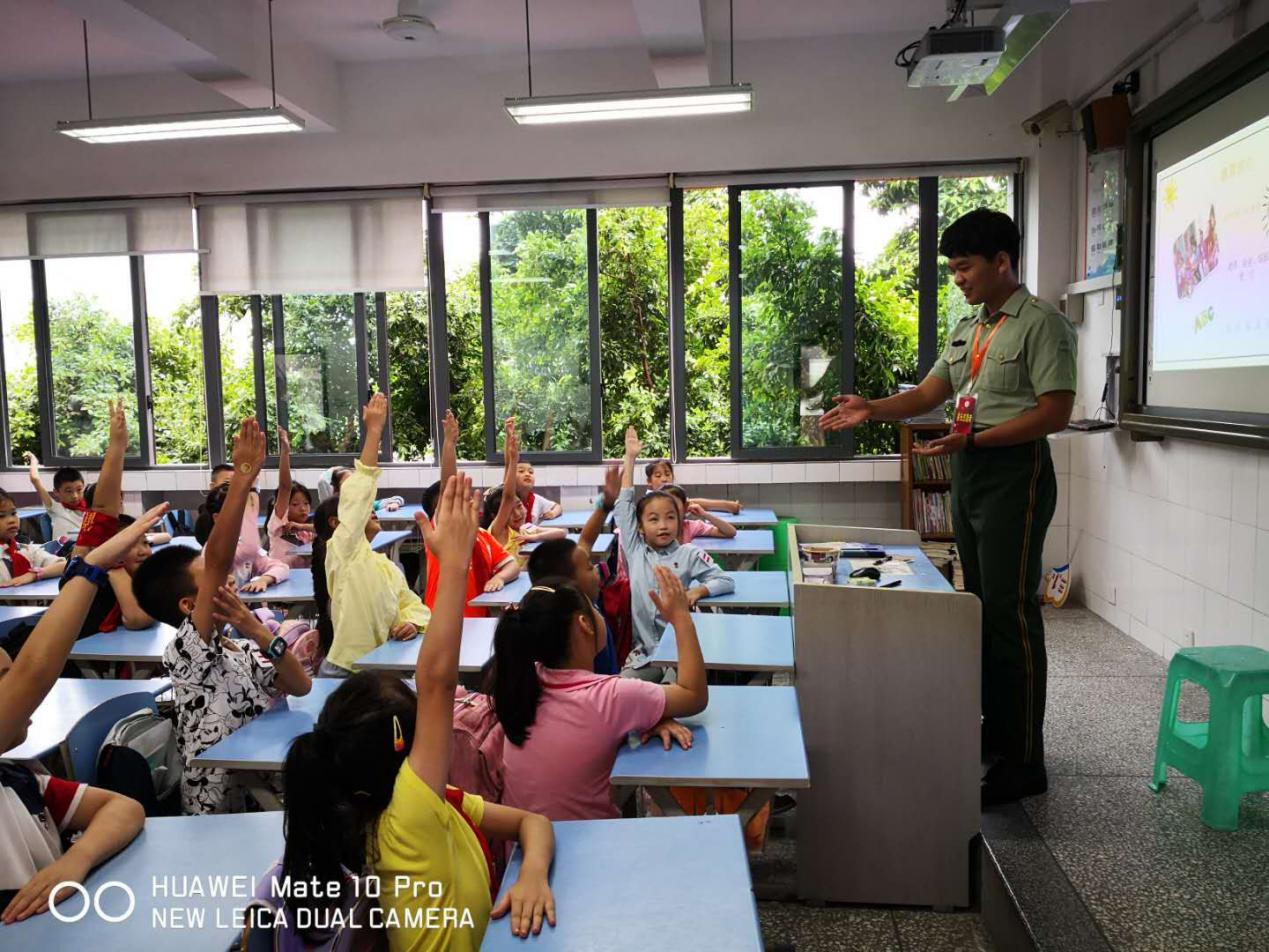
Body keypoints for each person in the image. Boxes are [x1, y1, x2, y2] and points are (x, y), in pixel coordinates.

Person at [819, 208, 1076, 807]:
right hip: (970, 471)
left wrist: (977, 442)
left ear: (1002, 262)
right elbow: (932, 392)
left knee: (1012, 613)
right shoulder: (969, 328)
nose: (957, 279)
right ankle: (998, 731)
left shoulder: (1042, 324)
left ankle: (1025, 760)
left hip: (1014, 472)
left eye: (965, 268)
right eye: (953, 269)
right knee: (980, 607)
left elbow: (1055, 412)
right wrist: (872, 409)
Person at [278, 473, 556, 949]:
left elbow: (534, 822)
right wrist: (453, 566)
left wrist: (531, 873)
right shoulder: (407, 813)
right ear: (402, 745)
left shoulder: (435, 798)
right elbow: (437, 682)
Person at [131, 418, 312, 814]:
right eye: (213, 579)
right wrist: (243, 476)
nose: (226, 577)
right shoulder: (187, 651)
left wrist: (257, 632)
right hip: (219, 805)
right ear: (188, 606)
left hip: (258, 785)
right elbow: (216, 560)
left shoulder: (236, 647)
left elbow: (300, 686)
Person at [0, 504, 165, 924]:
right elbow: (34, 672)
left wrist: (77, 858)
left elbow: (124, 810)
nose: (19, 693)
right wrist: (91, 569)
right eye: (4, 681)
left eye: (10, 676)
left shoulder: (20, 780)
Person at [494, 567, 705, 822]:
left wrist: (649, 715)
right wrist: (681, 619)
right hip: (587, 842)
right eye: (594, 608)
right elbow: (693, 694)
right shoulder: (612, 696)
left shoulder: (524, 680)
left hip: (524, 842)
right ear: (584, 624)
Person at [312, 394, 430, 678]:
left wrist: (411, 623)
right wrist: (374, 432)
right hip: (346, 669)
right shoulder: (342, 551)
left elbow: (412, 604)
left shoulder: (384, 566)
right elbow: (357, 498)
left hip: (382, 665)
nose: (371, 510)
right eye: (364, 509)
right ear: (337, 523)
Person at [615, 427, 733, 679]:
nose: (663, 525)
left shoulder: (689, 553)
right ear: (640, 527)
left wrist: (697, 591)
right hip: (644, 654)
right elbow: (624, 506)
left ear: (680, 521)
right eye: (653, 519)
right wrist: (630, 459)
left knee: (674, 694)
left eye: (670, 517)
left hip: (680, 653)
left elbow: (725, 580)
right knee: (622, 691)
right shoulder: (636, 551)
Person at [524, 465, 623, 676]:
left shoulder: (579, 600)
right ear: (570, 584)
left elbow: (586, 540)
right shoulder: (573, 631)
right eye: (589, 567)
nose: (596, 570)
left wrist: (605, 504)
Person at [423, 411, 520, 618]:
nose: (468, 502)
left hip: (478, 621)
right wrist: (449, 443)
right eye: (459, 500)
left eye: (467, 498)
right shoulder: (442, 534)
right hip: (443, 622)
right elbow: (448, 487)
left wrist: (500, 578)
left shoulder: (483, 536)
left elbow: (512, 565)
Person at [484, 419, 568, 561]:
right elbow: (507, 495)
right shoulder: (499, 530)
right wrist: (512, 457)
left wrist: (534, 537)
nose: (518, 513)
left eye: (519, 506)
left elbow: (562, 532)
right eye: (521, 471)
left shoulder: (526, 528)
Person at [199, 481, 291, 594]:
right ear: (217, 518)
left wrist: (264, 579)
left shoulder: (242, 544)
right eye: (240, 513)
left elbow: (281, 567)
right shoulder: (213, 551)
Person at [266, 427, 314, 568]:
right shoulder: (279, 523)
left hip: (301, 577)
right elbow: (285, 487)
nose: (303, 508)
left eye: (306, 503)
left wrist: (302, 526)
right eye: (295, 504)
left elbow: (326, 529)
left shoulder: (306, 529)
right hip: (277, 576)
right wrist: (285, 452)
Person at [0, 490, 65, 588]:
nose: (11, 520)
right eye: (1, 516)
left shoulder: (24, 550)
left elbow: (64, 565)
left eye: (13, 513)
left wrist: (34, 574)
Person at [24, 453, 87, 543]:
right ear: (56, 492)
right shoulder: (55, 508)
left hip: (85, 548)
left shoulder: (90, 509)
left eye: (79, 490)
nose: (75, 496)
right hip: (63, 550)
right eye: (68, 491)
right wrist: (34, 460)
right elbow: (35, 479)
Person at [644, 459, 740, 514]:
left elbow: (693, 503)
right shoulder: (649, 500)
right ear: (649, 481)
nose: (664, 479)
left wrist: (728, 506)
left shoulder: (675, 493)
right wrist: (727, 505)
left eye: (667, 474)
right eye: (658, 476)